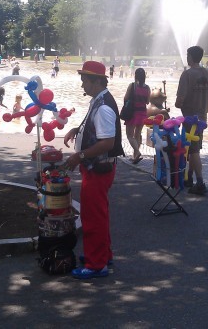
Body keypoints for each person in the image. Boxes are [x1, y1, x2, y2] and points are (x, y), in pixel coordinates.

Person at [63, 61, 124, 280]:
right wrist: (75, 129)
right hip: (98, 168)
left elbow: (107, 142)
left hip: (98, 170)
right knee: (99, 214)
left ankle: (96, 264)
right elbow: (93, 125)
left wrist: (78, 156)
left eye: (85, 80)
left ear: (96, 81)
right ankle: (103, 255)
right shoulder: (100, 100)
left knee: (92, 217)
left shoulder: (104, 107)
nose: (82, 85)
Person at [175, 46, 208, 195]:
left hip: (189, 118)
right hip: (202, 118)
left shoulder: (187, 75)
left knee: (193, 150)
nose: (187, 57)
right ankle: (189, 178)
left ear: (191, 57)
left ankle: (200, 182)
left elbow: (180, 99)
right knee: (194, 148)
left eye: (187, 55)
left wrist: (179, 105)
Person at [123, 67, 150, 164]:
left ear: (135, 76)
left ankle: (137, 152)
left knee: (130, 135)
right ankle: (135, 157)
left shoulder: (132, 86)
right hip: (143, 113)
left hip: (133, 113)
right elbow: (147, 101)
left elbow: (126, 98)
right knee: (137, 135)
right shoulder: (147, 88)